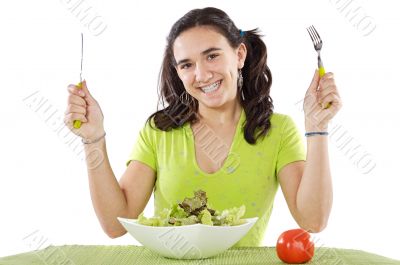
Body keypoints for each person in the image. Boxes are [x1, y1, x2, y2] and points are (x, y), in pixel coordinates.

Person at [64, 7, 342, 246]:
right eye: (186, 65)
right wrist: (93, 139)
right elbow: (117, 224)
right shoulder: (159, 131)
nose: (201, 75)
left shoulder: (277, 130)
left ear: (240, 55)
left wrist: (317, 127)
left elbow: (313, 221)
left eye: (212, 56)